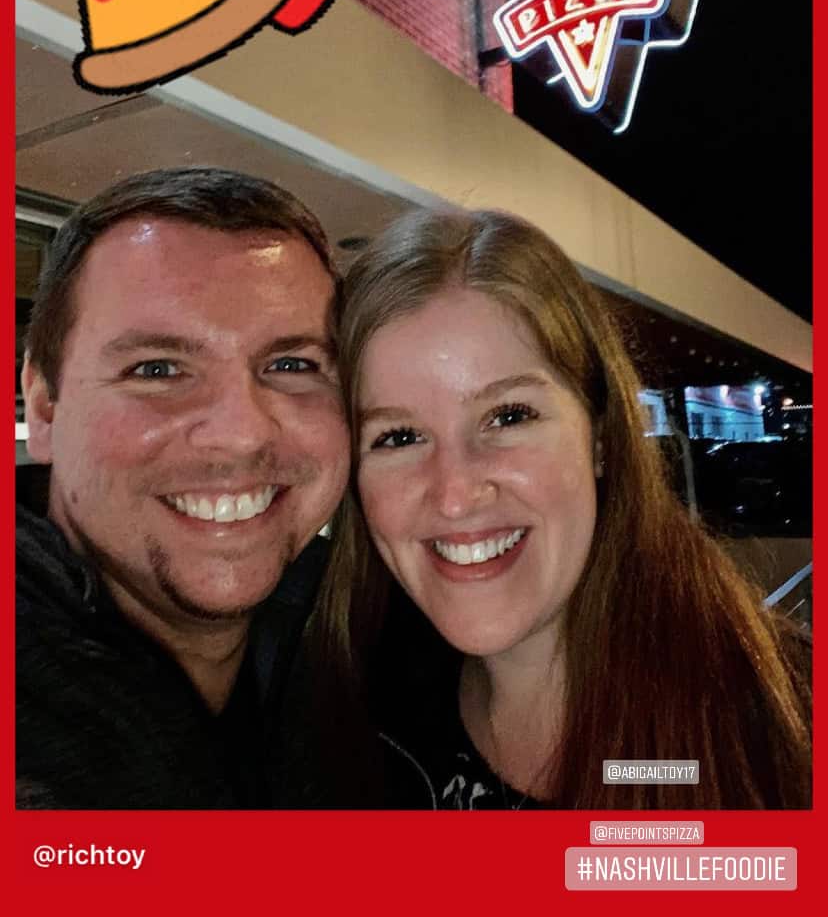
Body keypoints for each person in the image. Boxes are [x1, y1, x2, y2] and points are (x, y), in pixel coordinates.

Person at [307, 206, 812, 810]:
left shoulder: (786, 730)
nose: (455, 494)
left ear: (599, 435)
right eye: (398, 436)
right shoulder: (348, 704)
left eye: (508, 416)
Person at [17, 166, 349, 810]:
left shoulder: (366, 625)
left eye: (291, 364)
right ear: (45, 408)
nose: (240, 434)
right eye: (157, 369)